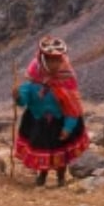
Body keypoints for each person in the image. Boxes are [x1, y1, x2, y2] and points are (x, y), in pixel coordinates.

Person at [12, 35, 90, 186]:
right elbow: (24, 101)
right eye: (50, 60)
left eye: (57, 60)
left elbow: (72, 107)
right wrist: (17, 96)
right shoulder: (33, 80)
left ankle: (61, 178)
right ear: (42, 59)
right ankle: (42, 175)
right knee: (43, 148)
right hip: (38, 121)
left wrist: (68, 127)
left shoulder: (66, 78)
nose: (54, 64)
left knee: (61, 150)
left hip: (60, 121)